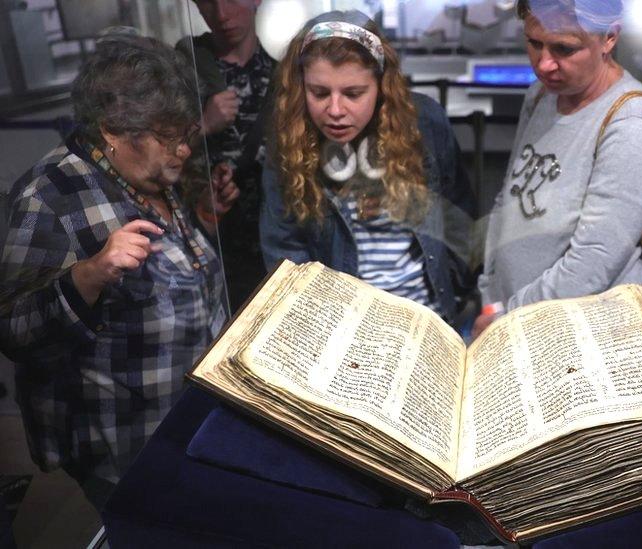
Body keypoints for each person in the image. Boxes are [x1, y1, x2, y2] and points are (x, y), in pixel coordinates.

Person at [0, 33, 236, 509]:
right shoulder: (49, 194)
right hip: (123, 446)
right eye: (168, 137)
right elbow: (12, 330)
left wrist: (205, 220)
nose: (184, 151)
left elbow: (176, 275)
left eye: (185, 134)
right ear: (111, 129)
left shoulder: (148, 176)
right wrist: (88, 275)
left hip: (187, 428)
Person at [260, 11, 476, 327]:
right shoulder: (288, 142)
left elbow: (459, 216)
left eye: (353, 94)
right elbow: (285, 258)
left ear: (381, 86)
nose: (335, 110)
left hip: (430, 319)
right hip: (344, 326)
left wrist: (455, 291)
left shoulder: (425, 123)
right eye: (319, 93)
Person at [475, 0, 642, 335]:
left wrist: (509, 315)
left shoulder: (633, 121)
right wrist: (490, 288)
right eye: (534, 43)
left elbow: (593, 261)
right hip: (510, 315)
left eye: (564, 49)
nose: (544, 64)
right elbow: (509, 198)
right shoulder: (541, 94)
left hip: (576, 329)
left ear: (609, 38)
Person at [178, 0, 276, 312]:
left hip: (273, 247)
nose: (221, 15)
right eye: (208, 2)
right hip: (202, 246)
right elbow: (144, 156)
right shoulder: (179, 74)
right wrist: (203, 126)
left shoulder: (284, 77)